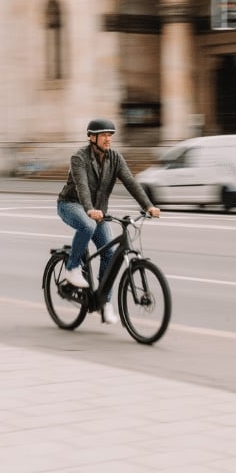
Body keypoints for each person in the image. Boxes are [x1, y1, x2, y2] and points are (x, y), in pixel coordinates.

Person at [57, 119, 160, 324]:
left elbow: (131, 182)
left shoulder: (115, 158)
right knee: (87, 225)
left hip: (98, 212)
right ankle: (72, 267)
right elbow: (82, 186)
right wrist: (89, 209)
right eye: (103, 135)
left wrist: (148, 205)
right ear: (92, 137)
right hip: (71, 204)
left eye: (110, 135)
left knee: (110, 254)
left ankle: (105, 303)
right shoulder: (79, 158)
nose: (108, 139)